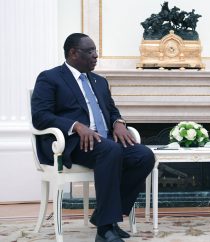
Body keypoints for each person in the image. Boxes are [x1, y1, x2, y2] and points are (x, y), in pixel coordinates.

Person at [31, 33, 155, 242]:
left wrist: (119, 123)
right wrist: (76, 126)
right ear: (72, 53)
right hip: (73, 144)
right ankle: (105, 229)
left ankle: (103, 216)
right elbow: (40, 116)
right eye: (90, 51)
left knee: (144, 155)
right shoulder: (50, 77)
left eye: (95, 51)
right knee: (110, 150)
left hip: (106, 142)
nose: (95, 56)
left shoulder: (100, 81)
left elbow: (112, 111)